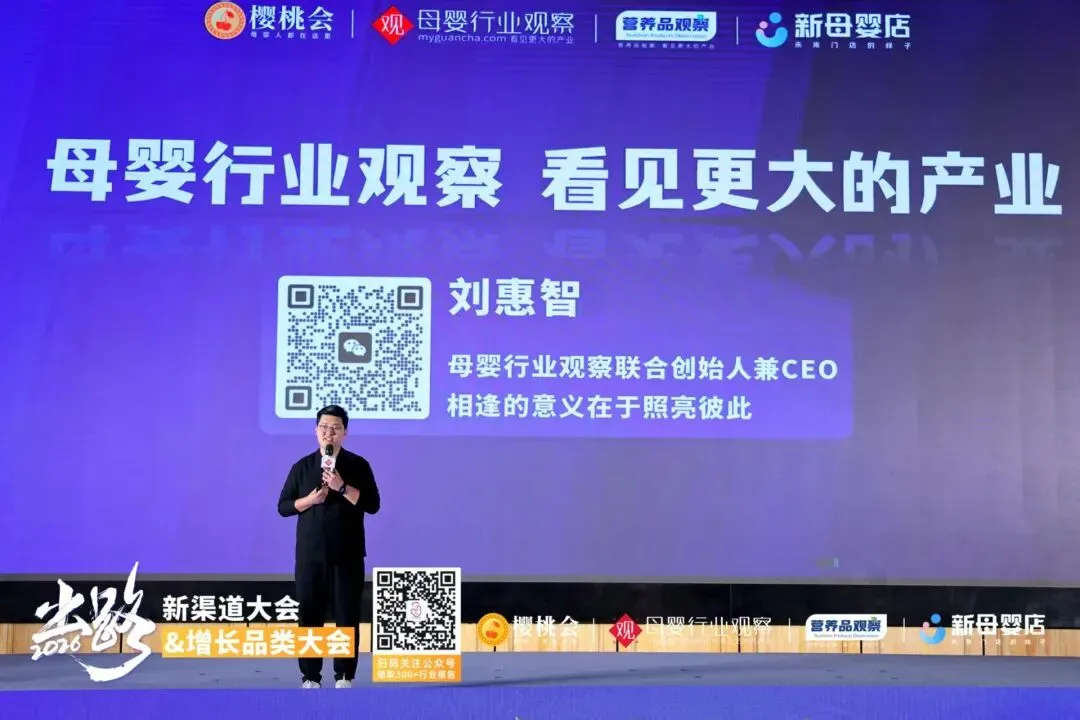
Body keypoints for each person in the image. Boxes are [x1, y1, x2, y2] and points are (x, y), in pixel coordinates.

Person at [276, 405, 381, 689]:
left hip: (347, 553)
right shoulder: (302, 467)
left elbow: (373, 505)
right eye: (324, 427)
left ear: (345, 432)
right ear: (316, 431)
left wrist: (342, 487)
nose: (328, 433)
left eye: (335, 428)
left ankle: (344, 675)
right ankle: (310, 676)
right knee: (309, 614)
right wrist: (310, 501)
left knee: (347, 615)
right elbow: (283, 507)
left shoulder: (358, 465)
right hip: (310, 554)